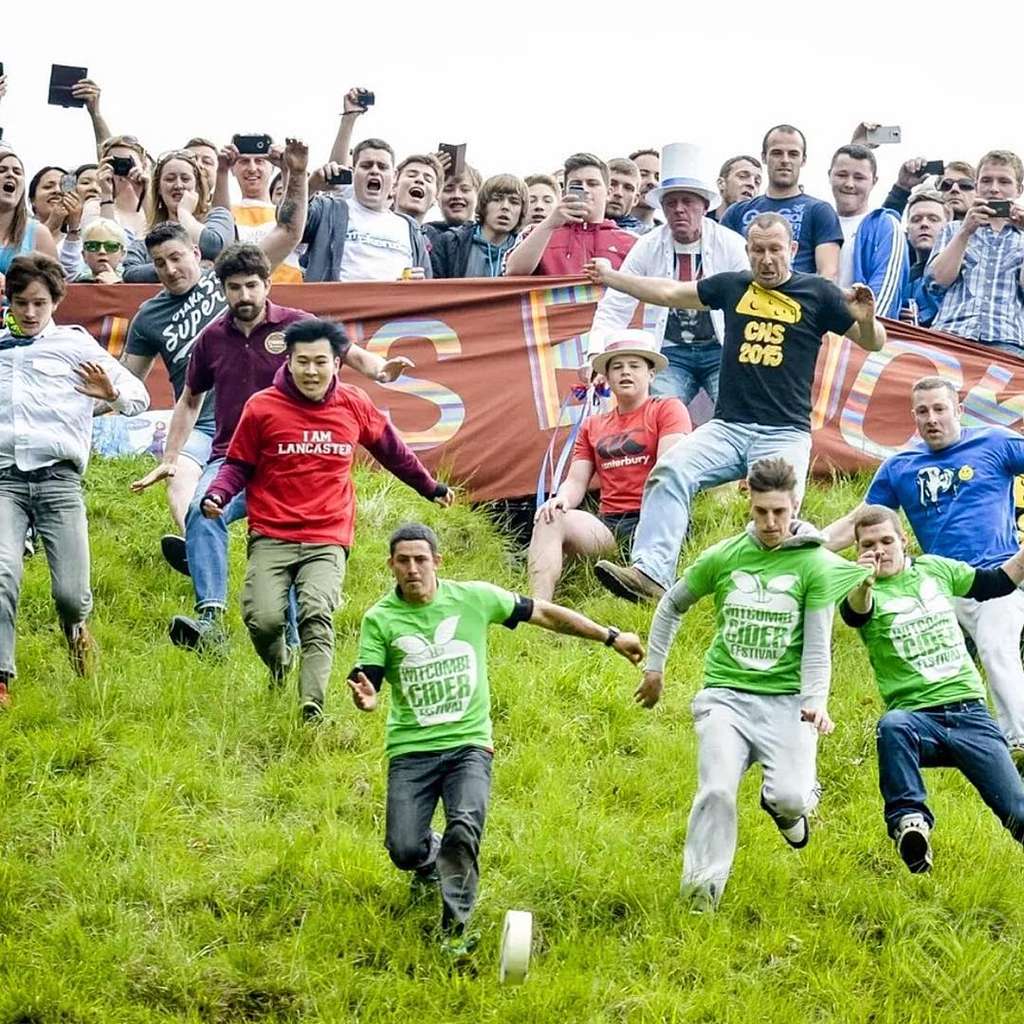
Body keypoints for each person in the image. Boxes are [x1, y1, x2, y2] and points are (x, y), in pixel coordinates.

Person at [347, 522, 644, 954]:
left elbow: (544, 613)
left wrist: (610, 636)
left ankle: (455, 933)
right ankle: (432, 863)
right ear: (391, 565)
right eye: (404, 561)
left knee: (464, 829)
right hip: (411, 750)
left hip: (469, 745)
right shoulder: (380, 619)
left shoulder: (474, 598)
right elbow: (368, 679)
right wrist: (368, 699)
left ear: (436, 562)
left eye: (421, 560)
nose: (413, 569)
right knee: (404, 848)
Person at [587, 212, 886, 603]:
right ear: (747, 251)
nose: (766, 259)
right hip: (727, 427)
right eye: (758, 250)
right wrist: (612, 277)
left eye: (775, 250)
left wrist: (866, 320)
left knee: (779, 511)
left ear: (792, 250)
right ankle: (651, 575)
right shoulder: (733, 286)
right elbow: (669, 292)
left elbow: (873, 342)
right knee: (670, 470)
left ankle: (786, 594)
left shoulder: (819, 293)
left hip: (784, 431)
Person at [130, 242, 412, 651]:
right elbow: (189, 399)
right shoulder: (210, 339)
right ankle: (210, 620)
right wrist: (171, 458)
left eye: (251, 286)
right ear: (222, 290)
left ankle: (294, 649)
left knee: (293, 551)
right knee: (200, 510)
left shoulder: (297, 326)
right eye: (233, 288)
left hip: (293, 460)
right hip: (232, 457)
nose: (243, 296)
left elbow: (350, 354)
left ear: (267, 284)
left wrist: (383, 371)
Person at [635, 458, 868, 909]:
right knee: (717, 789)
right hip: (727, 697)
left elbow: (819, 645)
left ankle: (783, 809)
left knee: (792, 797)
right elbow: (671, 605)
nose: (770, 522)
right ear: (749, 502)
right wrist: (655, 668)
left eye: (779, 512)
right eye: (761, 512)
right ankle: (701, 896)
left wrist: (817, 702)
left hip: (788, 702)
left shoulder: (814, 564)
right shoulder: (723, 556)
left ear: (795, 503)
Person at [199, 321, 452, 719]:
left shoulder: (353, 403)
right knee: (262, 619)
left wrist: (429, 487)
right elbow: (237, 464)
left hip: (327, 535)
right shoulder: (262, 407)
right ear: (289, 361)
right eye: (303, 362)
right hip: (271, 533)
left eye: (321, 362)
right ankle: (281, 661)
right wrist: (218, 494)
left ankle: (311, 705)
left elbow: (392, 451)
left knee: (317, 611)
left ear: (337, 363)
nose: (311, 371)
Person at [824, 376, 1024, 761]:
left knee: (995, 645)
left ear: (958, 411)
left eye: (939, 409)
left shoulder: (994, 443)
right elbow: (859, 523)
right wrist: (807, 545)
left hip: (996, 577)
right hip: (939, 585)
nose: (931, 418)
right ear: (913, 417)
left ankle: (1017, 744)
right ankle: (937, 740)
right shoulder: (900, 467)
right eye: (922, 411)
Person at [119, 139, 310, 541]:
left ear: (195, 250)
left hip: (264, 413)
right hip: (203, 426)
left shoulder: (229, 277)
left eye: (176, 258)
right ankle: (194, 548)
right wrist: (101, 394)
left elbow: (289, 231)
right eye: (159, 264)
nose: (170, 270)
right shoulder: (148, 317)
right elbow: (126, 383)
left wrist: (297, 172)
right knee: (179, 478)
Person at [839, 505, 1024, 873]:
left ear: (903, 540)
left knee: (1018, 811)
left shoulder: (934, 569)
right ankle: (910, 823)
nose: (879, 551)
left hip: (971, 715)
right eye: (868, 545)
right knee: (892, 725)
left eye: (887, 541)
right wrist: (862, 583)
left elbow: (995, 583)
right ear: (857, 550)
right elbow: (856, 613)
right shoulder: (857, 589)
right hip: (917, 721)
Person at [0, 254, 150, 708]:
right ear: (9, 301)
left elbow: (139, 397)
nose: (29, 313)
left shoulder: (75, 345)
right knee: (2, 571)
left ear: (55, 303)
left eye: (39, 304)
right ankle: (1, 676)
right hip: (4, 480)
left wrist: (112, 394)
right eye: (22, 302)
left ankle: (77, 629)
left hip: (59, 480)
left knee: (70, 593)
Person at [528, 331, 690, 600]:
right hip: (609, 527)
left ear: (651, 374)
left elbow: (668, 471)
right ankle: (538, 610)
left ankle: (648, 577)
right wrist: (560, 500)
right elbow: (576, 481)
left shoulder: (668, 409)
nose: (625, 372)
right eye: (617, 367)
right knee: (550, 517)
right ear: (607, 376)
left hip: (657, 521)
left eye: (634, 366)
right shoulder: (592, 425)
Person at [588, 144, 749, 406]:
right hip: (670, 353)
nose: (679, 209)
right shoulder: (647, 245)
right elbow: (616, 304)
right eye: (671, 203)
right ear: (662, 208)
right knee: (659, 414)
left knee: (738, 412)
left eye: (688, 201)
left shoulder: (731, 243)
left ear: (705, 206)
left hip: (723, 350)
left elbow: (751, 301)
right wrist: (596, 353)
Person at [925, 150, 1024, 354]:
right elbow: (936, 282)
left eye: (1004, 182)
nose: (994, 189)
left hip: (1007, 341)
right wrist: (965, 232)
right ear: (977, 186)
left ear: (1019, 189)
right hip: (950, 334)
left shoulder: (1021, 237)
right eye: (986, 181)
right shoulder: (953, 229)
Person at [721, 125, 843, 279]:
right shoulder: (736, 212)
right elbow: (720, 266)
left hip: (799, 300)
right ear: (764, 157)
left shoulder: (819, 211)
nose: (785, 160)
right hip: (745, 298)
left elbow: (828, 275)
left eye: (793, 154)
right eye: (777, 153)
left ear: (803, 160)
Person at [302, 139, 432, 282]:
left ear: (394, 176)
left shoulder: (411, 228)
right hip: (336, 302)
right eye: (366, 165)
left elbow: (427, 286)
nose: (374, 171)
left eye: (382, 167)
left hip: (394, 303)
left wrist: (418, 283)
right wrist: (310, 188)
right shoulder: (328, 210)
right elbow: (287, 224)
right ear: (353, 172)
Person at [503, 153, 636, 276]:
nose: (584, 189)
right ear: (565, 192)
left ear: (608, 192)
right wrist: (550, 224)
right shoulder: (536, 232)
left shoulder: (631, 241)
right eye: (576, 184)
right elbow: (513, 273)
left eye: (592, 184)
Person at [122, 149, 235, 282]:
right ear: (158, 188)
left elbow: (214, 247)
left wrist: (184, 213)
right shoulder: (151, 235)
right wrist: (189, 264)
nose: (178, 185)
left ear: (197, 186)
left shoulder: (218, 215)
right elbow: (130, 273)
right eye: (170, 179)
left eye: (185, 179)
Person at [827, 145, 908, 319]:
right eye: (842, 175)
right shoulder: (817, 219)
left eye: (859, 178)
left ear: (874, 181)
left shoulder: (886, 226)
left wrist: (866, 335)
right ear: (829, 175)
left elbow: (884, 295)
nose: (849, 184)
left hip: (857, 337)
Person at [430, 174, 527, 278]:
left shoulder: (525, 250)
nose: (505, 207)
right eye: (497, 199)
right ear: (483, 205)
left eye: (514, 202)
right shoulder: (450, 242)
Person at [0, 150, 59, 272]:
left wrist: (11, 283)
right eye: (1, 170)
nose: (11, 175)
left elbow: (55, 286)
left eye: (17, 172)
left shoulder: (38, 233)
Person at [901, 190, 949, 326]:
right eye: (916, 219)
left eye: (933, 219)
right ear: (907, 230)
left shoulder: (963, 270)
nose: (924, 224)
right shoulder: (900, 278)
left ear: (948, 226)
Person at [883, 159, 976, 222]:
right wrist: (901, 188)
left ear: (978, 191)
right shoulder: (924, 234)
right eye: (946, 185)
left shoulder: (988, 234)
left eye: (965, 185)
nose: (954, 189)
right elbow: (883, 230)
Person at [425, 165, 483, 243]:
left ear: (478, 196)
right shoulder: (424, 237)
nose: (457, 195)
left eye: (465, 189)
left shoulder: (488, 238)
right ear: (437, 196)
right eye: (448, 190)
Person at [62, 217, 127, 283]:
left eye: (111, 246)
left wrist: (117, 285)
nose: (102, 251)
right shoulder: (75, 286)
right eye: (93, 246)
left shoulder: (132, 280)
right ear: (84, 255)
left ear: (122, 254)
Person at [394, 154, 444, 227]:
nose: (420, 180)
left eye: (428, 180)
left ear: (436, 196)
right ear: (394, 186)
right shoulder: (374, 228)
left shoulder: (433, 237)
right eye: (411, 175)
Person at [709, 155, 763, 222]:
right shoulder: (701, 221)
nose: (752, 184)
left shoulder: (757, 229)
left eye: (757, 182)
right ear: (721, 183)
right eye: (743, 176)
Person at [628, 148, 661, 234]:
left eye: (658, 177)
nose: (652, 182)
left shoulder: (669, 236)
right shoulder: (605, 230)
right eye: (643, 175)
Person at [606, 158, 644, 233]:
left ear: (635, 200)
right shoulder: (578, 228)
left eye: (628, 188)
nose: (619, 193)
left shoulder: (646, 240)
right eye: (612, 184)